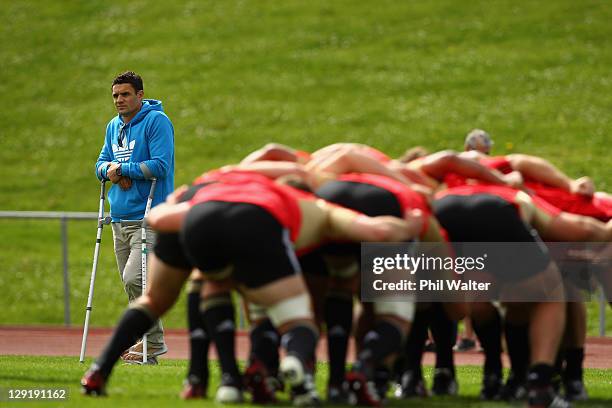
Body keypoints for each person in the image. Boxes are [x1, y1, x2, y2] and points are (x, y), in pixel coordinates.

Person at [94, 71, 174, 363]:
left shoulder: (157, 122)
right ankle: (148, 343)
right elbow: (100, 164)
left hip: (149, 217)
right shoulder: (112, 126)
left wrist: (124, 171)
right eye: (115, 95)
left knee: (136, 279)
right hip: (119, 218)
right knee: (131, 285)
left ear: (140, 95)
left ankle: (152, 343)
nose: (119, 100)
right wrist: (111, 171)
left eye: (125, 94)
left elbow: (161, 166)